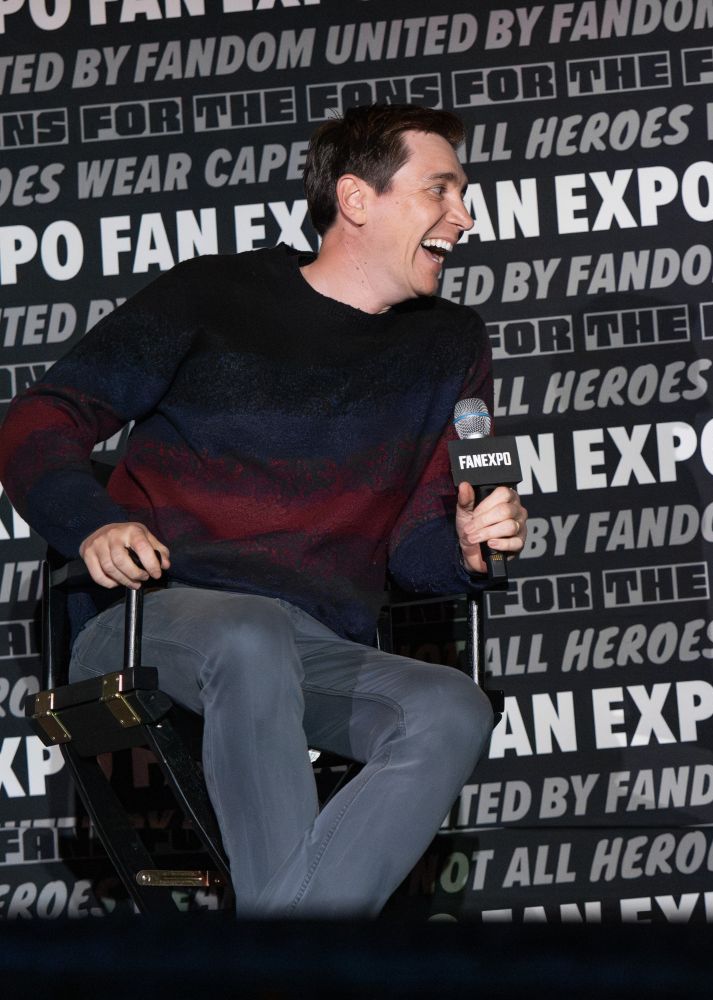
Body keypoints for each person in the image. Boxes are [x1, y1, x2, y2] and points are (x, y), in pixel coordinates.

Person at [0, 105, 527, 917]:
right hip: (149, 620)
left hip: (311, 645)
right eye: (441, 191)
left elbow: (413, 551)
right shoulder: (215, 295)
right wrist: (93, 522)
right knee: (249, 636)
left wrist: (461, 545)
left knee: (450, 706)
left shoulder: (449, 345)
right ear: (357, 198)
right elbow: (39, 420)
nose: (465, 216)